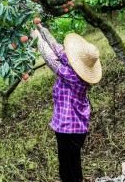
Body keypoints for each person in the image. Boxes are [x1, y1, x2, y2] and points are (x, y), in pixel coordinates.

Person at [31, 24, 102, 182]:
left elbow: (50, 59)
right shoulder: (76, 68)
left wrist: (34, 34)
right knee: (71, 164)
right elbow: (57, 48)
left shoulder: (75, 78)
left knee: (68, 167)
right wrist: (41, 28)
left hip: (69, 129)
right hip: (76, 127)